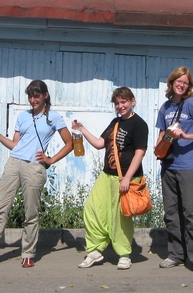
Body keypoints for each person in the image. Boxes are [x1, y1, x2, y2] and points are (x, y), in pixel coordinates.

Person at [0, 80, 73, 268]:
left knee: (31, 213)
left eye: (36, 96)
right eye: (30, 96)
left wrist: (50, 160)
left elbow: (69, 144)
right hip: (14, 163)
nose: (33, 100)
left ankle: (28, 253)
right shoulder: (23, 116)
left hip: (34, 167)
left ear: (45, 96)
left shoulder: (54, 118)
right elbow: (16, 144)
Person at [72, 87, 148, 270]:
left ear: (132, 101)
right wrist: (82, 129)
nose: (121, 106)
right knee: (93, 208)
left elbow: (140, 152)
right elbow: (100, 143)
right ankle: (96, 250)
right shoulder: (115, 122)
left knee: (120, 217)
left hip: (126, 177)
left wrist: (127, 178)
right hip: (107, 175)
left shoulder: (139, 124)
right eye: (117, 103)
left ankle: (124, 254)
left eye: (124, 102)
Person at [154, 66, 193, 276]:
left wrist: (186, 137)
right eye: (178, 81)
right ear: (171, 83)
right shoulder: (165, 108)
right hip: (168, 165)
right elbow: (161, 134)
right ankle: (176, 254)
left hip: (187, 166)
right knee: (171, 213)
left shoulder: (192, 104)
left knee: (190, 212)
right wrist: (158, 146)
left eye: (185, 82)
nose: (181, 85)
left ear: (189, 86)